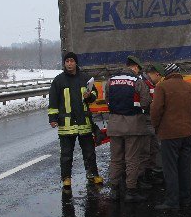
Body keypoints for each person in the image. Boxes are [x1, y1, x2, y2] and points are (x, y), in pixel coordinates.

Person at [150, 63, 191, 210]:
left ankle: (172, 201)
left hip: (169, 135)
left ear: (167, 75)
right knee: (184, 166)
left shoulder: (161, 87)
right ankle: (185, 198)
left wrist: (156, 126)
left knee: (170, 168)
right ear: (179, 73)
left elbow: (156, 110)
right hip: (187, 133)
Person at [48, 51, 102, 190]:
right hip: (66, 125)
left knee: (89, 152)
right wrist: (52, 118)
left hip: (84, 123)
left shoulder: (85, 78)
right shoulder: (58, 81)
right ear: (64, 63)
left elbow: (94, 95)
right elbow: (53, 101)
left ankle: (93, 174)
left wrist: (89, 96)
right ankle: (66, 178)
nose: (69, 63)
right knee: (66, 154)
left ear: (75, 62)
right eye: (67, 61)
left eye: (72, 61)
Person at [105, 55, 152, 202]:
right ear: (135, 67)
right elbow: (145, 102)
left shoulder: (110, 81)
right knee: (132, 159)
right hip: (133, 126)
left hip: (114, 125)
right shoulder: (137, 82)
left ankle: (114, 189)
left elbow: (107, 99)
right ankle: (130, 191)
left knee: (116, 158)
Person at [141, 63, 166, 185]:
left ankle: (151, 172)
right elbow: (146, 104)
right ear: (156, 74)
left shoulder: (149, 83)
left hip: (149, 121)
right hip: (146, 121)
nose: (160, 80)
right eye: (160, 77)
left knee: (153, 148)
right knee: (147, 149)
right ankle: (146, 175)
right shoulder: (144, 83)